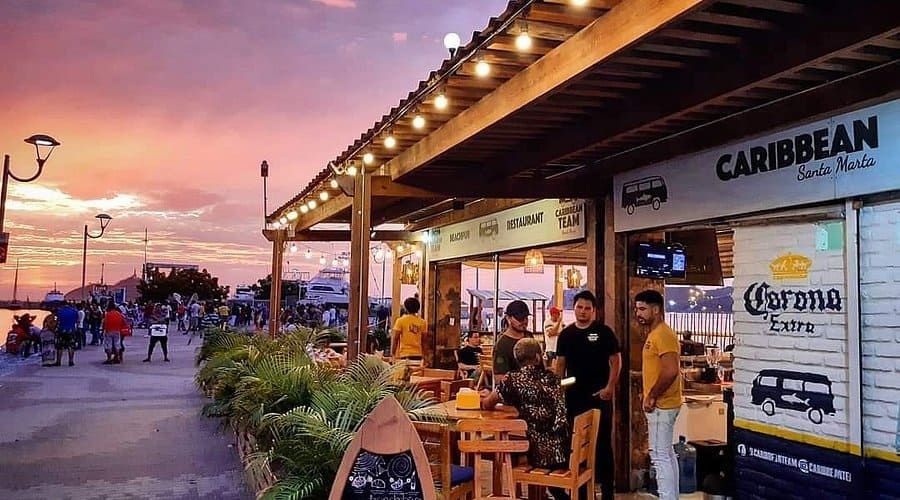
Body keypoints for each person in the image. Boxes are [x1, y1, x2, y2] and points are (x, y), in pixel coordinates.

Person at [480, 337, 571, 500]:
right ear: (537, 357)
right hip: (565, 447)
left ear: (517, 359)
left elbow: (488, 404)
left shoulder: (513, 379)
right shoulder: (553, 378)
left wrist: (484, 396)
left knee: (512, 450)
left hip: (540, 454)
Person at [556, 290, 621, 500]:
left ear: (594, 311)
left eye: (587, 308)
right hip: (574, 398)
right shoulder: (566, 335)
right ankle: (582, 492)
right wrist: (559, 390)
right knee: (578, 445)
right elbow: (560, 367)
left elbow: (616, 361)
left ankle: (608, 491)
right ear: (573, 308)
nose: (582, 311)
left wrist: (610, 387)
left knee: (603, 444)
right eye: (579, 307)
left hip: (599, 397)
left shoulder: (603, 332)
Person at [635, 290, 683, 500]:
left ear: (656, 310)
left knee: (659, 456)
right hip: (663, 404)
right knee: (667, 454)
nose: (638, 313)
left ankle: (667, 497)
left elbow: (671, 370)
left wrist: (652, 395)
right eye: (637, 309)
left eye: (643, 309)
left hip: (662, 405)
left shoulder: (663, 334)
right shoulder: (656, 334)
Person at [492, 300, 533, 384]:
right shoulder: (502, 345)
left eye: (526, 318)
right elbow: (499, 378)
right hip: (514, 393)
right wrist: (522, 383)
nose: (524, 321)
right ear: (508, 318)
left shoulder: (529, 336)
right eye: (520, 318)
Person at [391, 297, 427, 362]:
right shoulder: (423, 322)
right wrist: (425, 356)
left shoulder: (400, 321)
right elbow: (424, 341)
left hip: (404, 354)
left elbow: (396, 338)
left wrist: (393, 354)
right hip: (418, 355)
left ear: (406, 308)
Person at [53, 302, 79, 367]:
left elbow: (56, 321)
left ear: (62, 305)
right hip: (71, 330)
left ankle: (58, 362)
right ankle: (71, 361)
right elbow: (77, 321)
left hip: (62, 330)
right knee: (71, 346)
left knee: (60, 347)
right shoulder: (74, 311)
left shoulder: (59, 311)